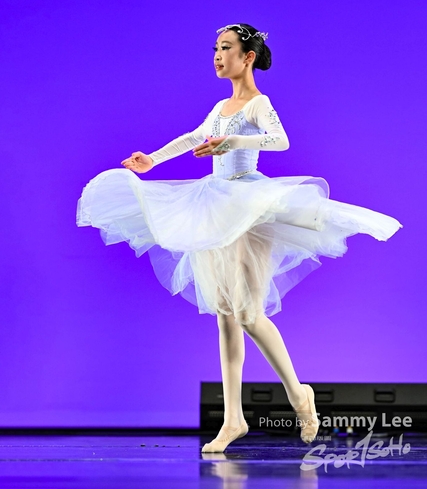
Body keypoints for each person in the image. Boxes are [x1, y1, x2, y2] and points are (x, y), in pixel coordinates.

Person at [76, 23, 402, 453]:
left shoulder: (257, 104)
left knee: (248, 313)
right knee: (225, 314)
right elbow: (196, 137)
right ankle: (233, 419)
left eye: (226, 48)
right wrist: (152, 160)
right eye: (215, 48)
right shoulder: (221, 105)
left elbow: (280, 141)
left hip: (248, 207)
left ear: (247, 57)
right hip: (215, 204)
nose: (217, 55)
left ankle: (299, 394)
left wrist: (230, 140)